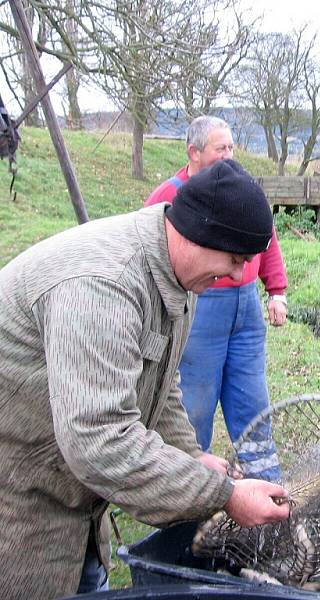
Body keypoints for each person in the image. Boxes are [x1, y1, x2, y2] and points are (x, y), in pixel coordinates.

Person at [0, 159, 290, 600]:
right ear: (199, 232)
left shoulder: (181, 275)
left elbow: (161, 378)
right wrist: (225, 494)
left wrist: (191, 455)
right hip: (18, 490)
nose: (237, 276)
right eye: (235, 259)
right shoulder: (103, 287)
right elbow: (99, 442)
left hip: (69, 491)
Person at [146, 116, 287, 480]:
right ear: (194, 152)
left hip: (247, 310)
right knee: (194, 400)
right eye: (220, 148)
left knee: (253, 399)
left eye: (231, 147)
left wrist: (277, 291)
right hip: (200, 310)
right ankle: (191, 485)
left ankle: (265, 486)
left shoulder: (243, 191)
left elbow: (266, 240)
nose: (229, 155)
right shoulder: (169, 196)